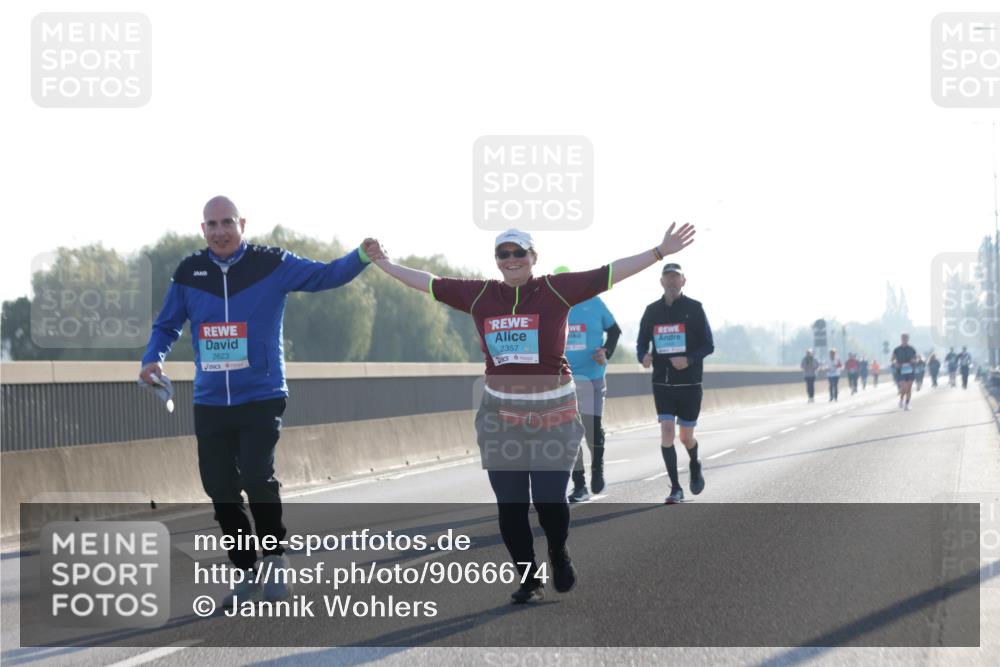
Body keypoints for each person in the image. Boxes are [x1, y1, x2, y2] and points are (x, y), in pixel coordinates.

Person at [367, 223, 696, 604]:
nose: (511, 260)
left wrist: (659, 251)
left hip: (553, 416)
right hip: (500, 417)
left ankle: (557, 550)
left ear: (533, 257)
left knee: (549, 502)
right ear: (497, 261)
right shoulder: (480, 295)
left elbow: (610, 272)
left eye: (518, 253)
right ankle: (529, 578)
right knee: (511, 507)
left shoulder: (556, 289)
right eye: (503, 254)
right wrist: (384, 263)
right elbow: (427, 282)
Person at [139, 196, 373, 605]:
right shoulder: (189, 272)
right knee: (220, 489)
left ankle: (275, 558)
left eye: (227, 222)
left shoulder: (271, 264)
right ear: (203, 230)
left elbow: (324, 276)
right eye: (211, 225)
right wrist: (151, 360)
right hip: (210, 400)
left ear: (242, 224)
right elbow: (167, 325)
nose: (220, 231)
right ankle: (246, 571)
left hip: (261, 395)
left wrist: (360, 256)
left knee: (255, 477)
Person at [637, 263, 715, 505]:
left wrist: (689, 359)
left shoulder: (695, 308)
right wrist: (644, 357)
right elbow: (641, 343)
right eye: (667, 278)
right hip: (662, 382)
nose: (671, 282)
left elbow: (709, 345)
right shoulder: (651, 311)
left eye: (675, 277)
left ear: (684, 281)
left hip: (690, 384)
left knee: (685, 438)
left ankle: (694, 462)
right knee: (667, 433)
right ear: (661, 282)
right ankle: (675, 488)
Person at [552, 266, 622, 502]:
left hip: (592, 376)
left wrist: (606, 351)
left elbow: (615, 330)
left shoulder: (593, 302)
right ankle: (579, 485)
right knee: (571, 434)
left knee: (592, 430)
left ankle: (597, 467)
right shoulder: (551, 306)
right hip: (564, 380)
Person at [892, 333, 918, 410]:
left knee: (909, 388)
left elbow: (916, 358)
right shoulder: (897, 349)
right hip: (900, 371)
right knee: (904, 387)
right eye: (903, 338)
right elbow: (893, 359)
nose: (904, 339)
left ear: (908, 339)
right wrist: (895, 362)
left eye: (905, 338)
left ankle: (907, 404)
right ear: (901, 339)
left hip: (910, 370)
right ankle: (901, 399)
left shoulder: (912, 349)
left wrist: (914, 360)